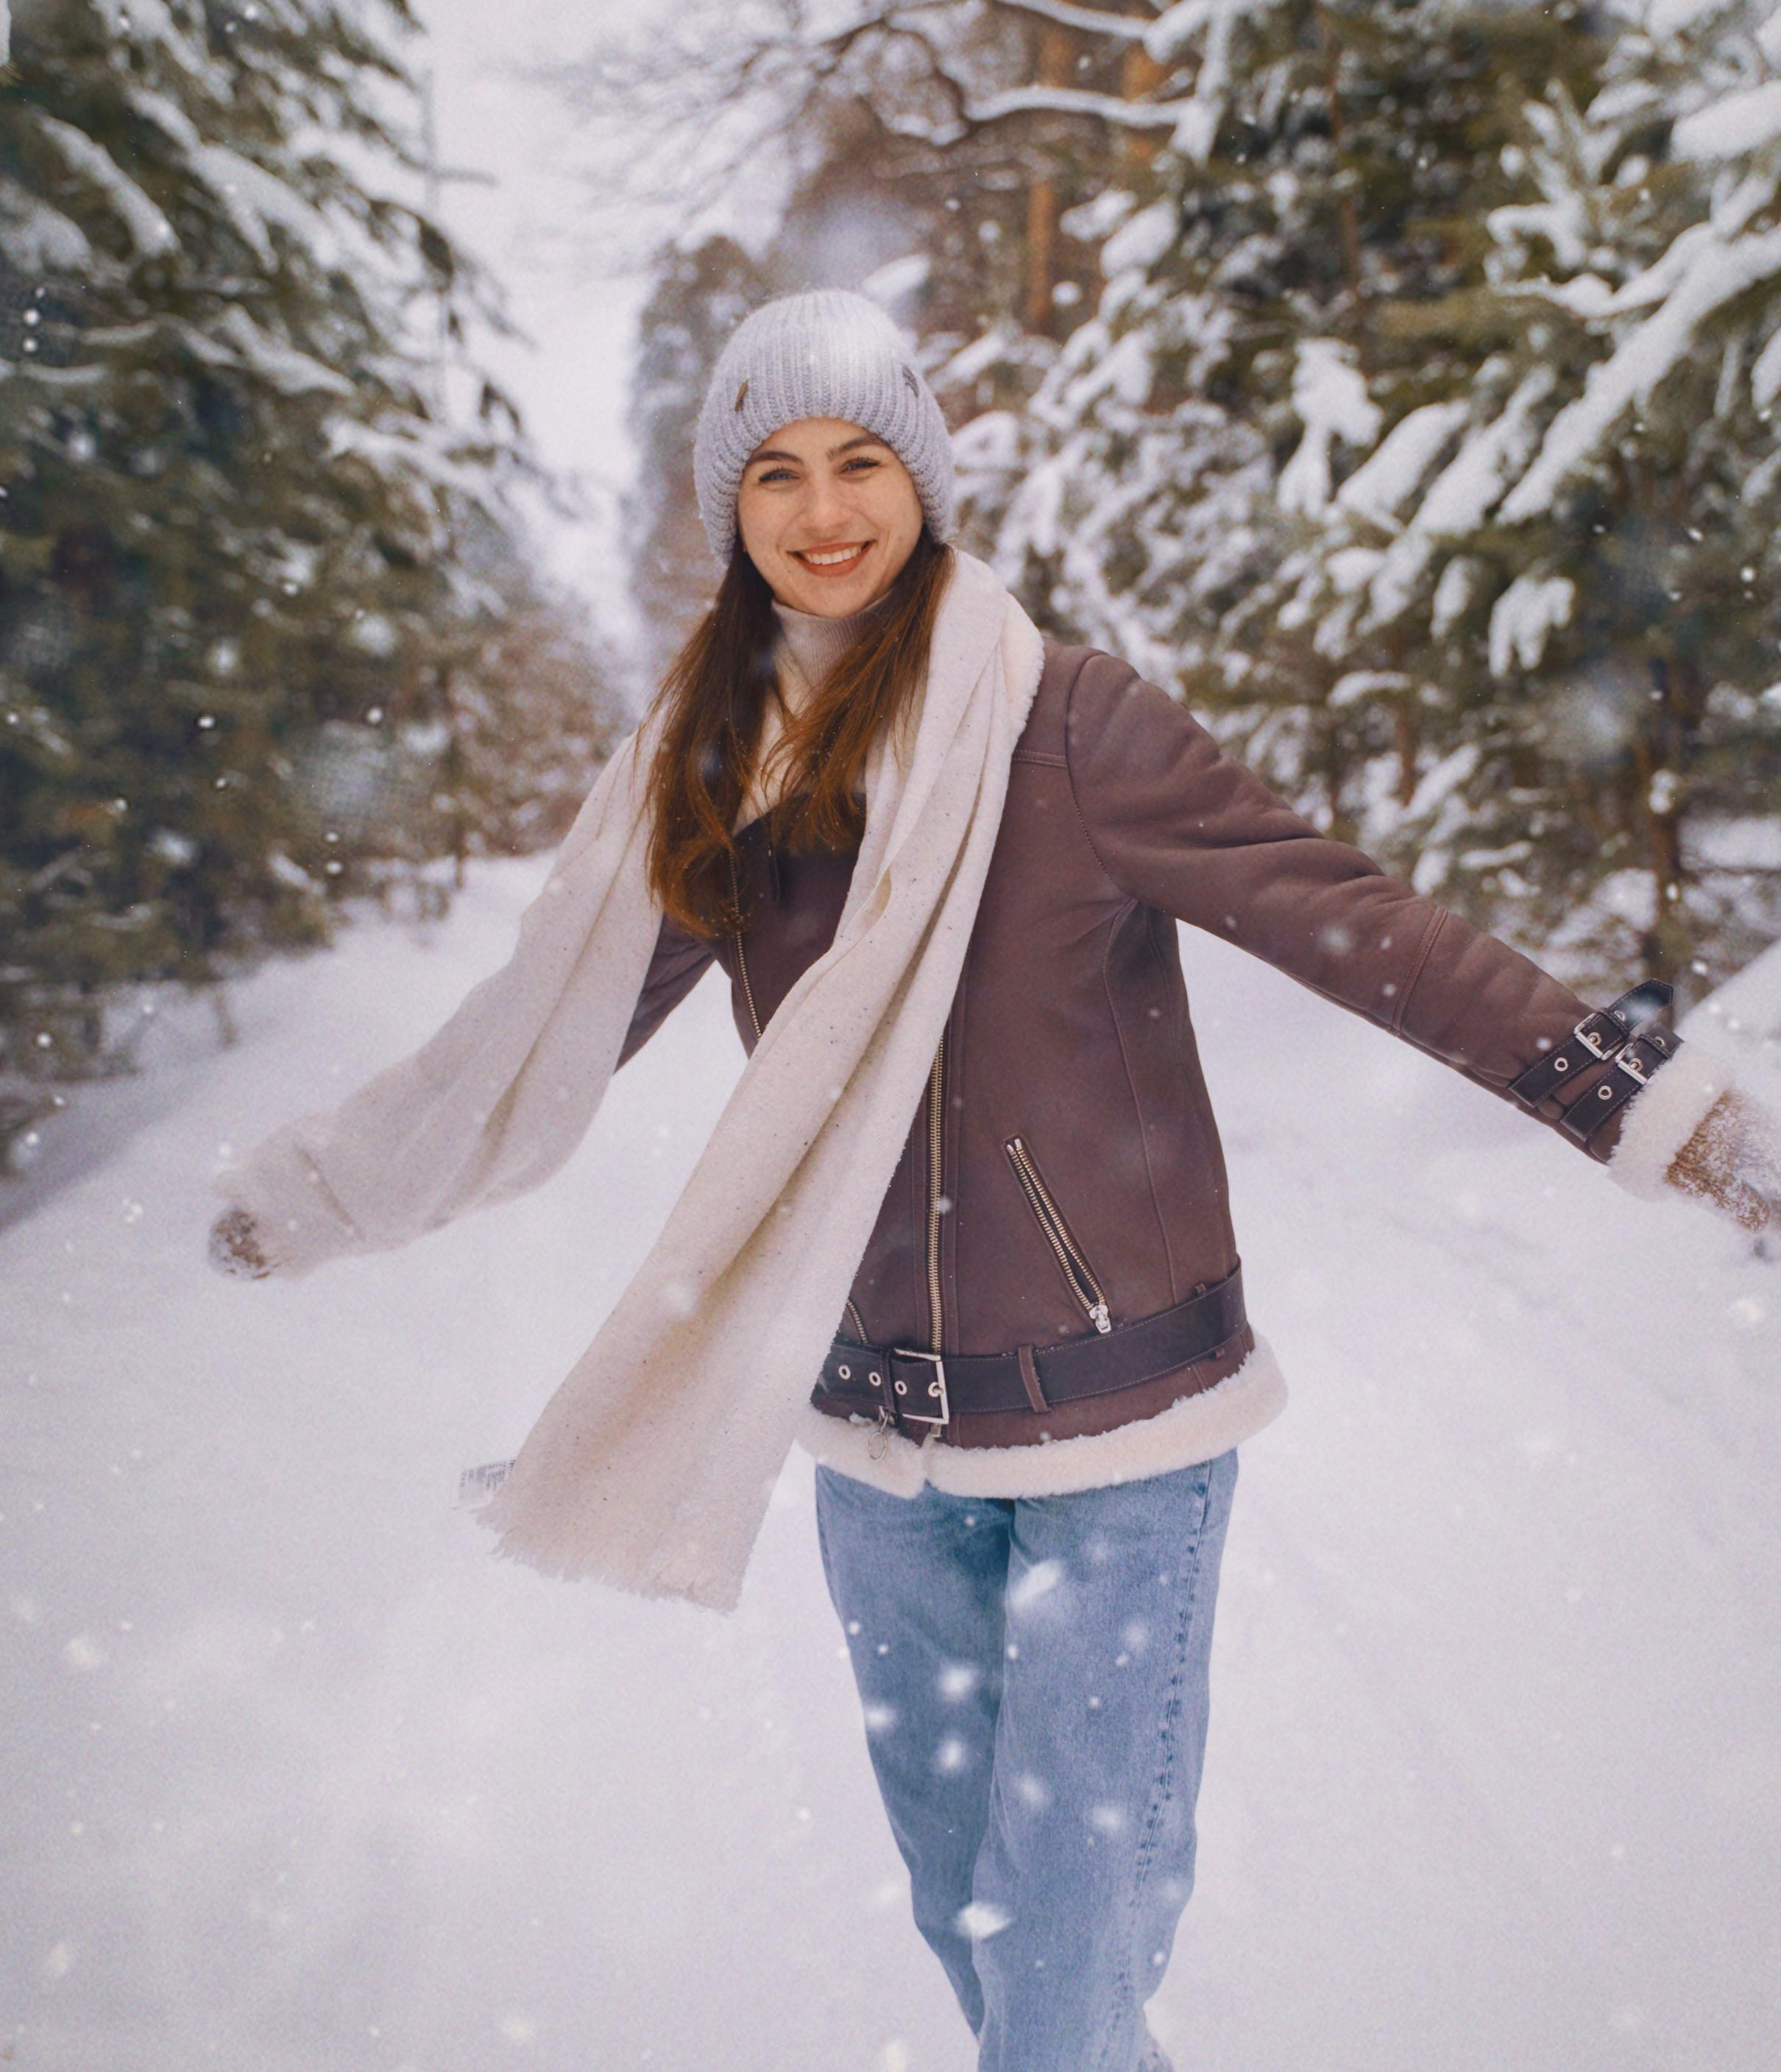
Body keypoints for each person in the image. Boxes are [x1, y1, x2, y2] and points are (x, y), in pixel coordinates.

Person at [211, 289, 1781, 2072]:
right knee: (973, 1916)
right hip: (879, 1444)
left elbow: (1360, 924)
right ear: (731, 508)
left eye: (860, 462)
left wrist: (1645, 1107)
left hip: (1119, 1434)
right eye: (777, 473)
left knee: (1060, 1959)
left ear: (923, 482)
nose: (824, 511)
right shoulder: (721, 769)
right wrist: (331, 1192)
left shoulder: (1069, 726)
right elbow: (548, 1028)